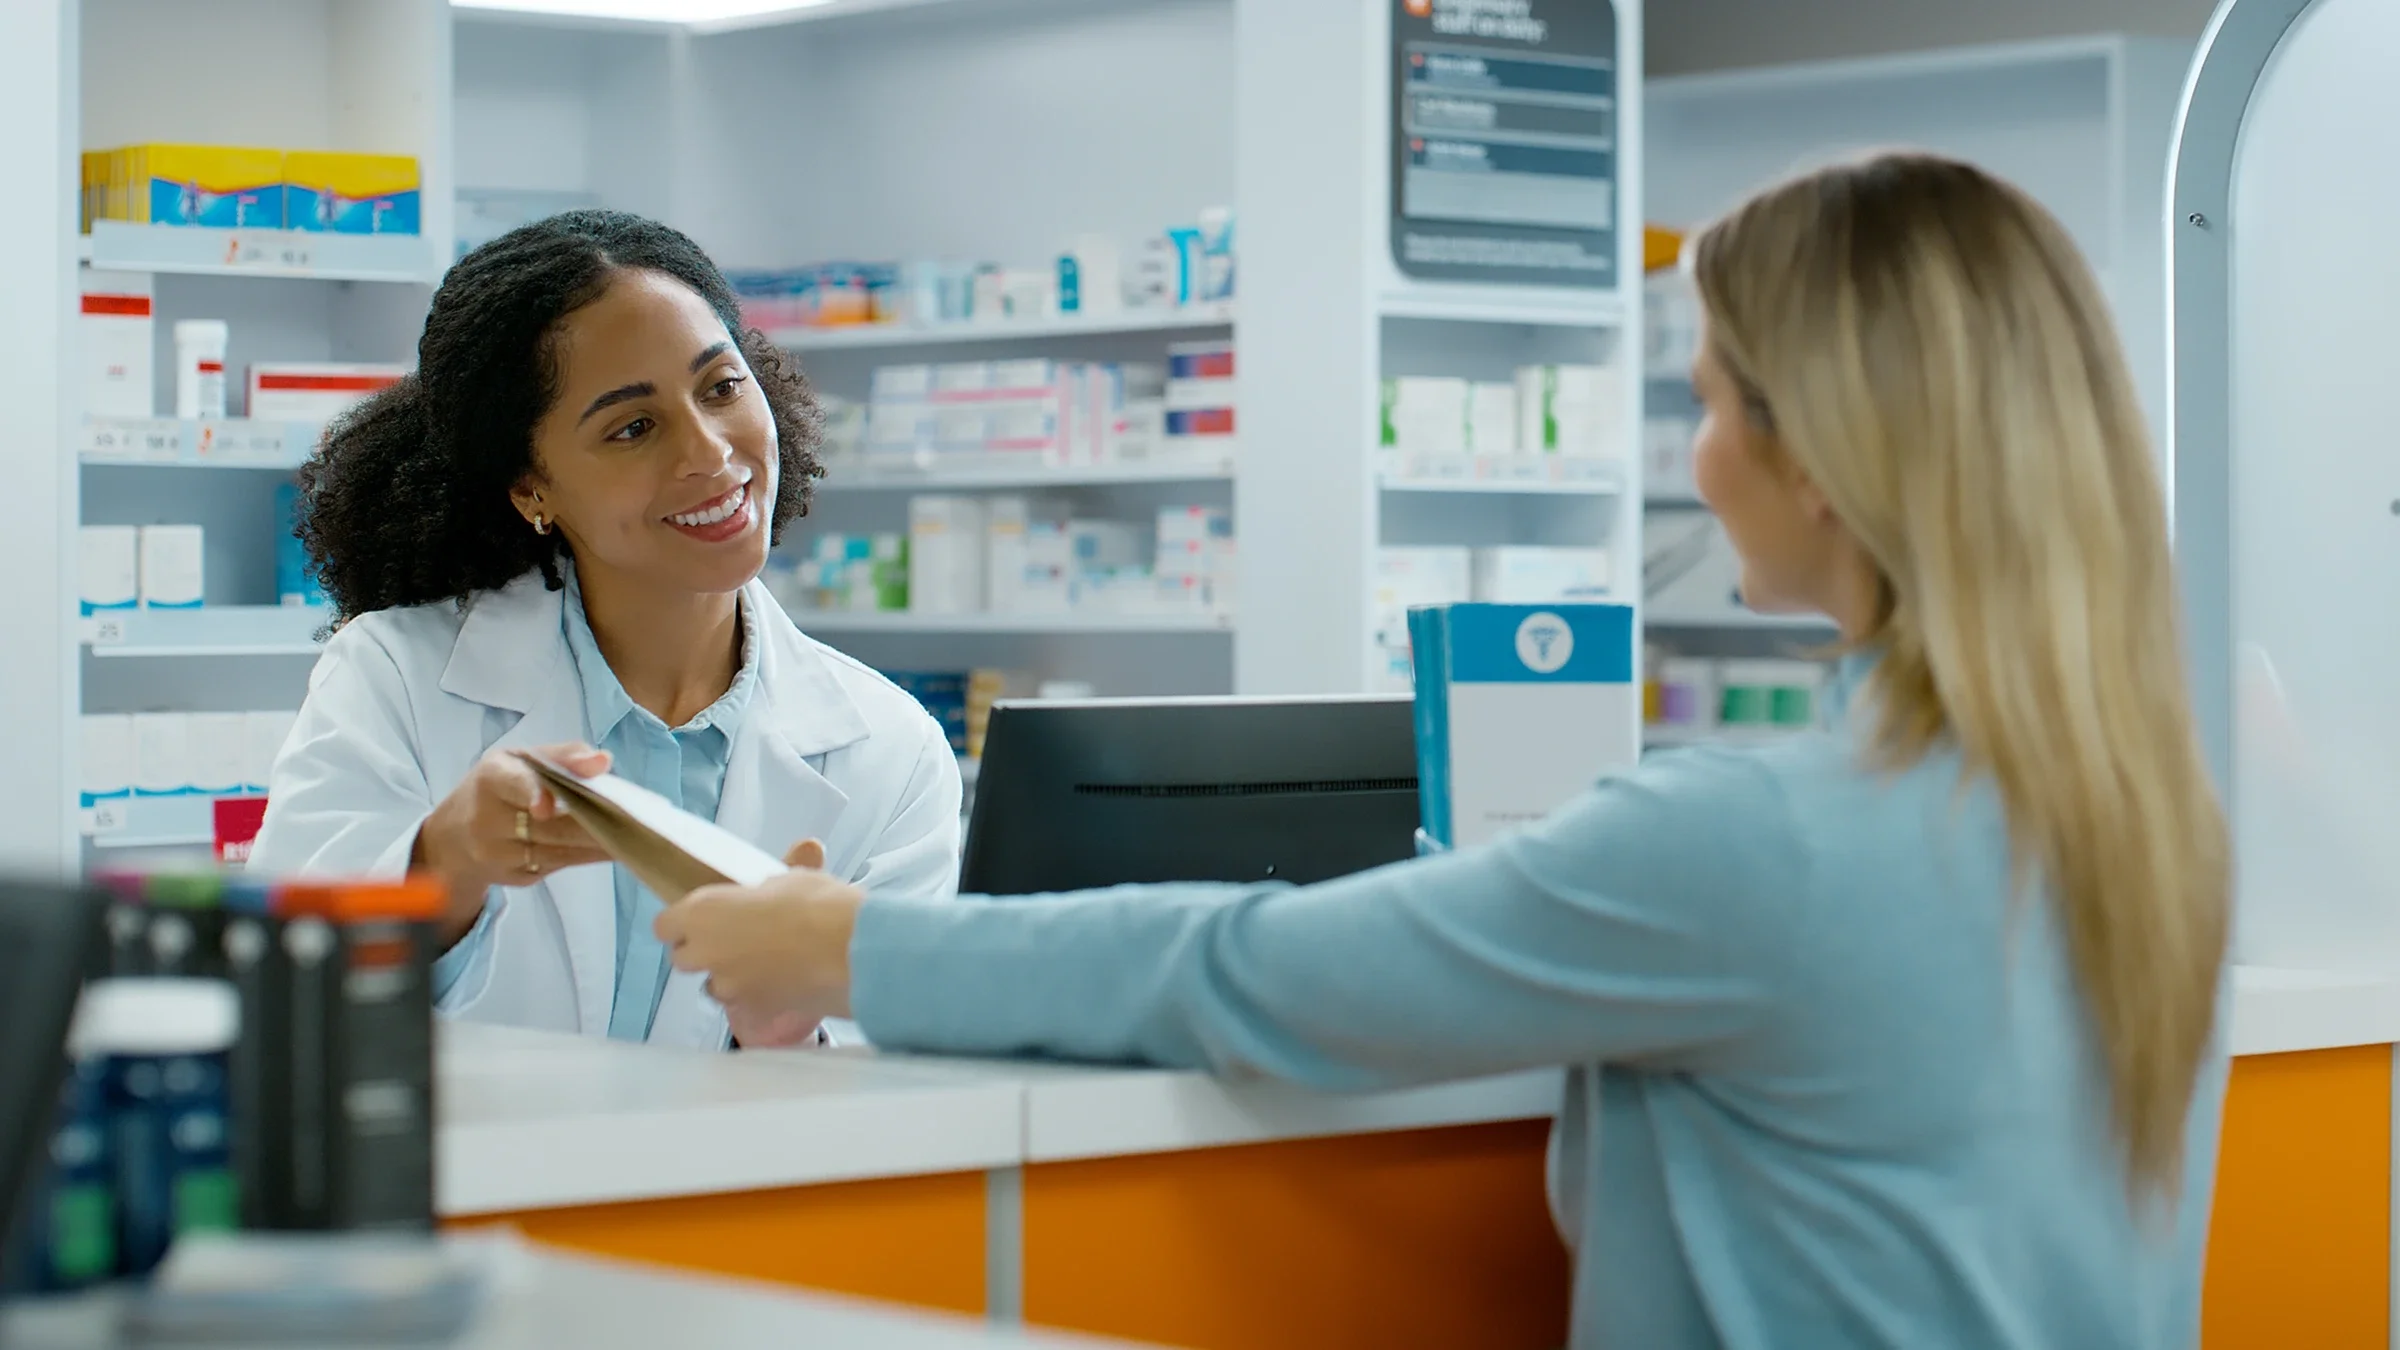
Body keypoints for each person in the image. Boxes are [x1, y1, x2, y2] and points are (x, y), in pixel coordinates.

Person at [649, 155, 2234, 1346]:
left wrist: (844, 948)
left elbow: (1245, 975)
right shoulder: (2138, 813)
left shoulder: (1771, 831)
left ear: (1816, 457)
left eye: (1709, 403)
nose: (1701, 453)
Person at [246, 211, 960, 1052]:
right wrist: (446, 861)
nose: (709, 454)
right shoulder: (394, 678)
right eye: (632, 428)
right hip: (478, 1182)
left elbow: (901, 1096)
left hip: (736, 1183)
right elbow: (282, 1003)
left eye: (721, 388)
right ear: (530, 489)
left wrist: (795, 1036)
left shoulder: (890, 749)